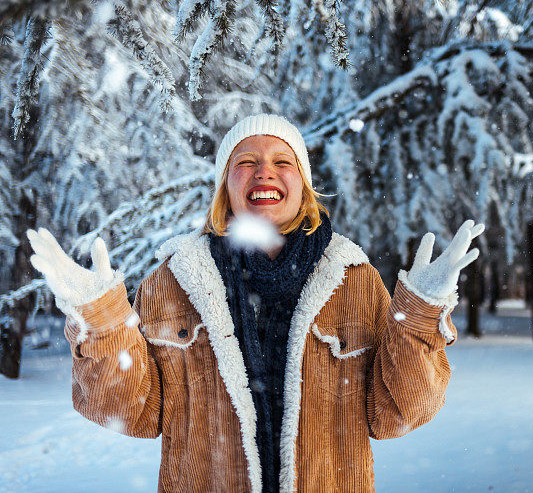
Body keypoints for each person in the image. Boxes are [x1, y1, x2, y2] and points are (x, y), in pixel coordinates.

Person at [27, 113, 484, 493]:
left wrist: (422, 311)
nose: (264, 171)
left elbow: (396, 412)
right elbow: (131, 411)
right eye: (245, 161)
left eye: (282, 161)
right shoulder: (171, 282)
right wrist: (99, 318)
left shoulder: (353, 279)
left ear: (303, 187)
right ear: (225, 186)